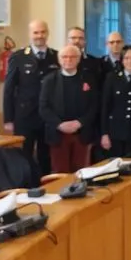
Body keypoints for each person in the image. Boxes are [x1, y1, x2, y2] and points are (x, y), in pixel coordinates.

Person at [3, 19, 59, 175]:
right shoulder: (19, 57)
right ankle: (27, 189)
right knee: (24, 156)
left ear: (47, 33)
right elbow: (9, 89)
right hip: (25, 116)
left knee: (45, 156)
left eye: (42, 32)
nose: (39, 36)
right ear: (30, 34)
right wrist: (8, 119)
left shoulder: (56, 56)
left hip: (48, 117)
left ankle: (46, 187)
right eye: (36, 32)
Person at [38, 45, 99, 173]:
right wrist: (59, 124)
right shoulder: (49, 80)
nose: (68, 60)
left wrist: (80, 123)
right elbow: (44, 108)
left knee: (81, 172)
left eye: (72, 57)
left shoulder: (89, 79)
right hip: (58, 135)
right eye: (64, 57)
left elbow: (94, 105)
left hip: (81, 133)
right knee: (60, 172)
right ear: (59, 59)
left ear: (78, 59)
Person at [100, 45, 131, 158]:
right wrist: (104, 134)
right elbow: (105, 107)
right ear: (121, 60)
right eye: (126, 58)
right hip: (114, 133)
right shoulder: (112, 78)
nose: (130, 61)